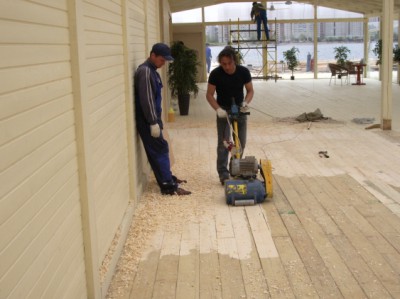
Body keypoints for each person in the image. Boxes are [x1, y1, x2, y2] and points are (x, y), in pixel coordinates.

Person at [134, 43, 191, 196]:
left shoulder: (153, 71)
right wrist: (152, 122)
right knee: (160, 149)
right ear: (152, 55)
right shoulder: (145, 72)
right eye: (161, 59)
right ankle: (168, 186)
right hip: (147, 121)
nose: (163, 63)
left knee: (158, 150)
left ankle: (167, 178)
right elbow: (147, 100)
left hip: (153, 120)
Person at [206, 46, 254, 185]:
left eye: (229, 63)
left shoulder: (243, 72)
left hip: (240, 108)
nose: (226, 67)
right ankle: (223, 173)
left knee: (241, 142)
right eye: (223, 64)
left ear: (234, 61)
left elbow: (250, 90)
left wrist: (246, 102)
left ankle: (234, 167)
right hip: (223, 110)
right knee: (224, 143)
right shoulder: (216, 74)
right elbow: (209, 95)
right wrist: (217, 109)